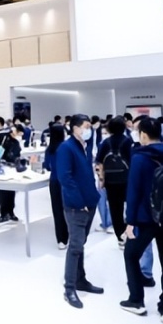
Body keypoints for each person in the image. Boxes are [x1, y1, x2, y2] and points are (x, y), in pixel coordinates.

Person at [120, 117, 163, 321]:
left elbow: (133, 192)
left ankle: (136, 300)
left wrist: (130, 221)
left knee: (131, 254)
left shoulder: (139, 158)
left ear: (143, 135)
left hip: (145, 218)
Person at [56, 115, 104, 309]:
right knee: (75, 245)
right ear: (74, 128)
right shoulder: (66, 148)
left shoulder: (84, 146)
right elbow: (65, 178)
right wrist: (78, 202)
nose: (89, 130)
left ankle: (80, 279)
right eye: (85, 126)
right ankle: (69, 288)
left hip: (89, 201)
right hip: (77, 205)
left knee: (81, 243)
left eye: (90, 126)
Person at [96, 116, 132, 248]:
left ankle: (120, 237)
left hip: (111, 181)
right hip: (126, 179)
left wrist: (101, 179)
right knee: (130, 206)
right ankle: (130, 232)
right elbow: (132, 160)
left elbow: (99, 162)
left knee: (115, 209)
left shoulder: (105, 142)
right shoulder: (128, 141)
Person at [45, 124, 69, 250]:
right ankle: (71, 234)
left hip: (54, 181)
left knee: (57, 210)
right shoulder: (66, 147)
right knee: (69, 209)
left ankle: (61, 239)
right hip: (66, 181)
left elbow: (47, 166)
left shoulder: (50, 149)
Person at [0, 124, 23, 223]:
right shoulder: (3, 138)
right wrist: (8, 131)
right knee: (1, 191)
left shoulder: (16, 142)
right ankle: (3, 213)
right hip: (1, 167)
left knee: (11, 191)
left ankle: (11, 212)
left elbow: (18, 154)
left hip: (11, 167)